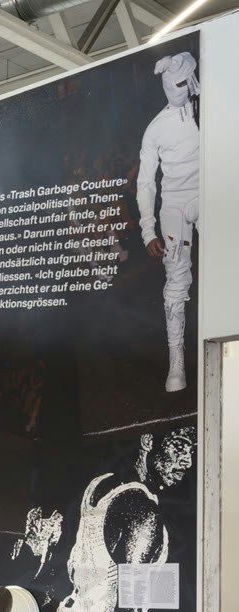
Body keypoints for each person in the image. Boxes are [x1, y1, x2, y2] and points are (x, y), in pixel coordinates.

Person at [42, 427, 192, 612]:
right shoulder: (143, 510)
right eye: (179, 446)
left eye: (192, 451)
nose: (187, 461)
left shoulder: (102, 484)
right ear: (148, 441)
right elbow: (131, 610)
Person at [137, 51, 199, 393]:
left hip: (210, 190)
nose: (179, 89)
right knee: (176, 279)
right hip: (174, 203)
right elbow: (146, 182)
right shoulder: (155, 129)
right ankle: (176, 362)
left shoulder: (209, 106)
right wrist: (148, 230)